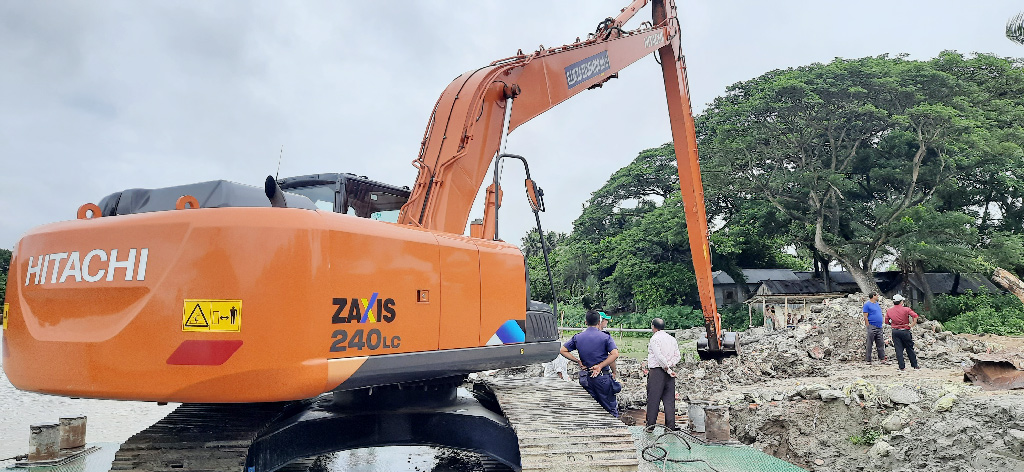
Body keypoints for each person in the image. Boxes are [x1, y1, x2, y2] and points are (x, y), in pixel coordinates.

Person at [560, 310, 620, 416]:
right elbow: (614, 354)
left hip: (585, 377)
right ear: (599, 322)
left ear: (585, 322)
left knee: (589, 409)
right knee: (610, 408)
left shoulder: (578, 337)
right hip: (602, 378)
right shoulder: (605, 337)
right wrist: (600, 366)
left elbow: (563, 350)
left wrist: (578, 361)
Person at [645, 317, 681, 430]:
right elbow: (677, 356)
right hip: (669, 372)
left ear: (653, 327)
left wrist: (667, 368)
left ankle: (650, 425)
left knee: (653, 399)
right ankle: (670, 426)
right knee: (669, 400)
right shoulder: (672, 339)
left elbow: (659, 357)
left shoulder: (654, 339)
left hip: (657, 371)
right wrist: (670, 365)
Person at [884, 294, 921, 371]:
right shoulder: (906, 309)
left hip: (895, 331)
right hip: (905, 330)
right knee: (909, 348)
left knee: (898, 349)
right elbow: (915, 316)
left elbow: (886, 321)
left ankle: (901, 367)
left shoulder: (889, 310)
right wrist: (911, 325)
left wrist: (893, 324)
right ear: (901, 302)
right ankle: (915, 365)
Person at [863, 292, 887, 364]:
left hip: (879, 326)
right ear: (873, 296)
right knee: (870, 343)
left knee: (880, 343)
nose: (878, 296)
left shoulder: (876, 304)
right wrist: (868, 325)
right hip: (872, 326)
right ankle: (868, 360)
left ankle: (882, 358)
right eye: (877, 295)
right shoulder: (867, 304)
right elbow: (865, 316)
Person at [598, 311, 618, 379]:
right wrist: (614, 371)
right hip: (602, 371)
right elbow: (612, 355)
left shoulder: (583, 334)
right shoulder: (606, 336)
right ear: (601, 321)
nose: (607, 321)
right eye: (606, 320)